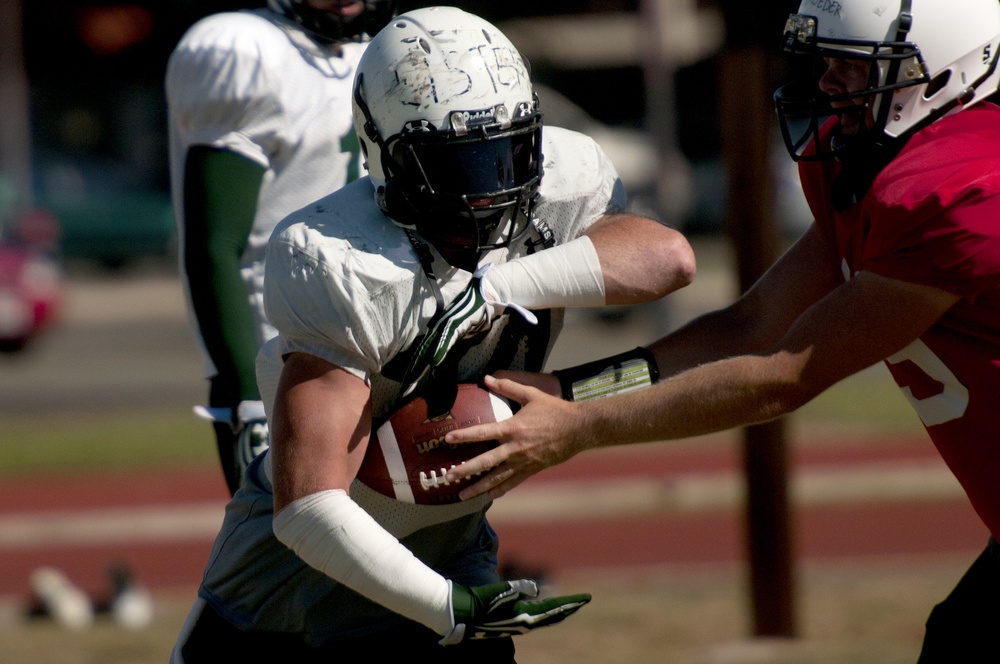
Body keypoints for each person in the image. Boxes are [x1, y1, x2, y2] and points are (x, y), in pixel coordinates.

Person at [443, 0, 1000, 660]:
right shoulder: (866, 163)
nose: (827, 83)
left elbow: (784, 373)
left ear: (946, 71)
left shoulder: (965, 181)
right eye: (828, 63)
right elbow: (751, 326)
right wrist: (571, 393)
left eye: (853, 67)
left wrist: (581, 429)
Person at [170, 6, 696, 661]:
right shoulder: (339, 258)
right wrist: (448, 609)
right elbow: (307, 506)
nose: (489, 192)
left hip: (450, 559)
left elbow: (668, 258)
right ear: (389, 159)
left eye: (506, 156)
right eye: (457, 167)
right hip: (288, 609)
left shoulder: (561, 178)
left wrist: (500, 288)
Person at [166, 0, 401, 495]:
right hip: (283, 364)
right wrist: (248, 394)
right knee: (298, 561)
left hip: (381, 350)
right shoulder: (245, 51)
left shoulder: (386, 50)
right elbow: (215, 245)